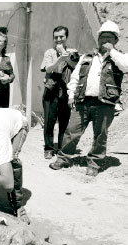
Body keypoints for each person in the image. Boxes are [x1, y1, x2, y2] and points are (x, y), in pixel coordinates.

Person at [49, 20, 128, 176]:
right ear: (97, 39)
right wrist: (71, 95)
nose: (105, 40)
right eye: (102, 37)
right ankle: (63, 158)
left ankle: (94, 163)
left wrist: (111, 51)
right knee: (72, 131)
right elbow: (75, 78)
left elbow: (126, 66)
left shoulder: (120, 57)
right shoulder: (86, 57)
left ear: (116, 40)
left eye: (109, 38)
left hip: (105, 103)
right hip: (83, 101)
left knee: (100, 135)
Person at [40, 25, 79, 160]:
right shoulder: (49, 52)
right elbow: (48, 69)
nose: (58, 39)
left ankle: (62, 147)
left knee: (64, 121)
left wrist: (64, 54)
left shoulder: (73, 51)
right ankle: (49, 148)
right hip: (51, 89)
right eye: (56, 37)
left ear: (66, 37)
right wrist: (60, 58)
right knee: (49, 121)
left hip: (66, 89)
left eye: (61, 36)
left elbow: (75, 66)